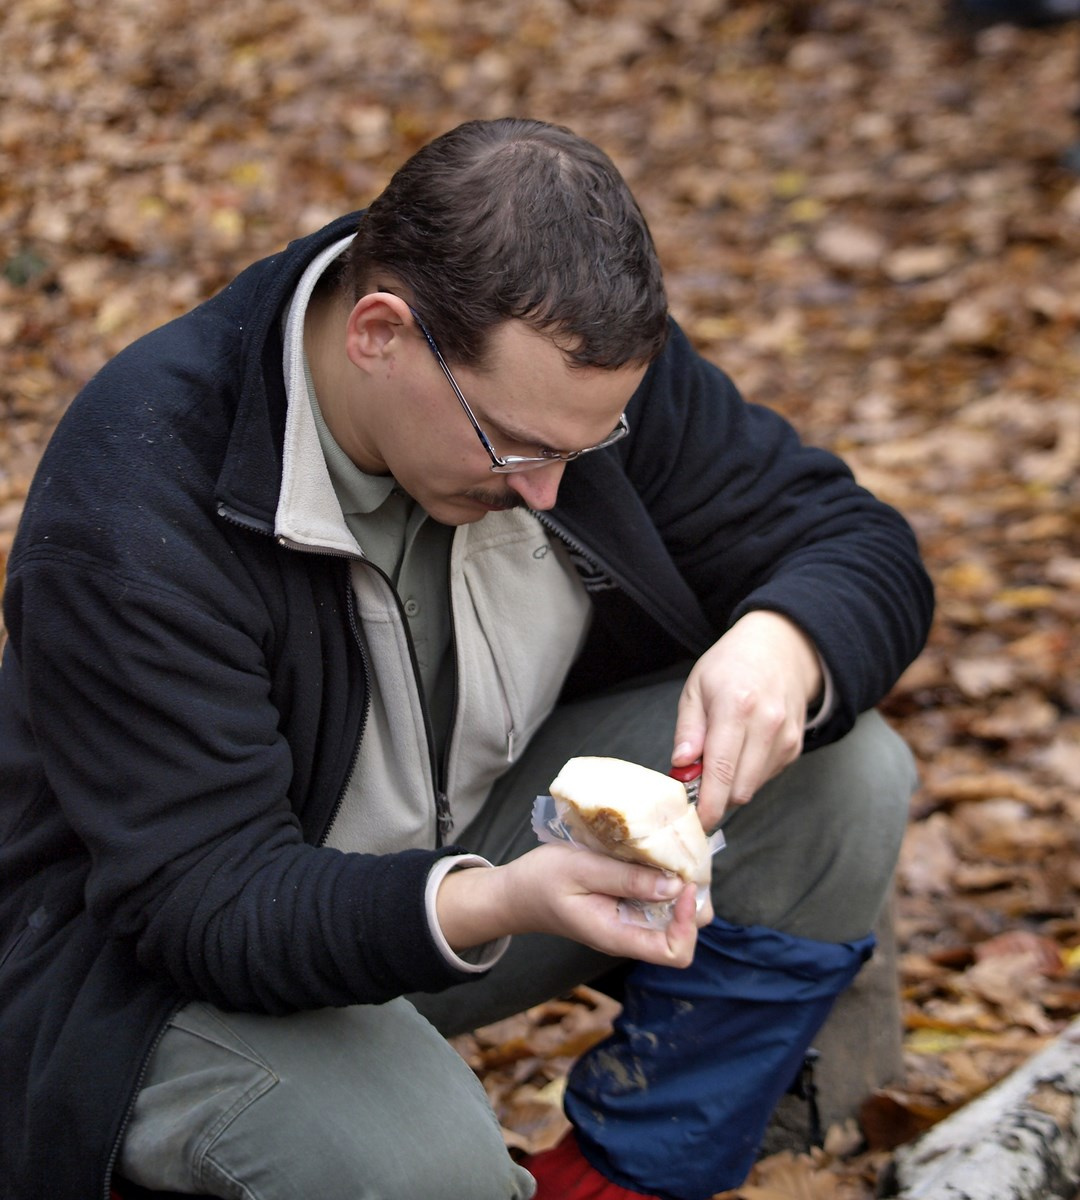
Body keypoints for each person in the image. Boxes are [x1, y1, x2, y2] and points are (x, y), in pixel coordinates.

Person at [0, 117, 933, 1200]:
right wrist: (500, 900)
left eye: (584, 452)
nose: (549, 488)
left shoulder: (566, 392)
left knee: (840, 773)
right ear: (378, 333)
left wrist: (788, 641)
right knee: (423, 1163)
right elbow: (206, 906)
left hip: (450, 862)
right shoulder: (137, 502)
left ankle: (628, 1178)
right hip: (141, 973)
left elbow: (856, 540)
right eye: (515, 447)